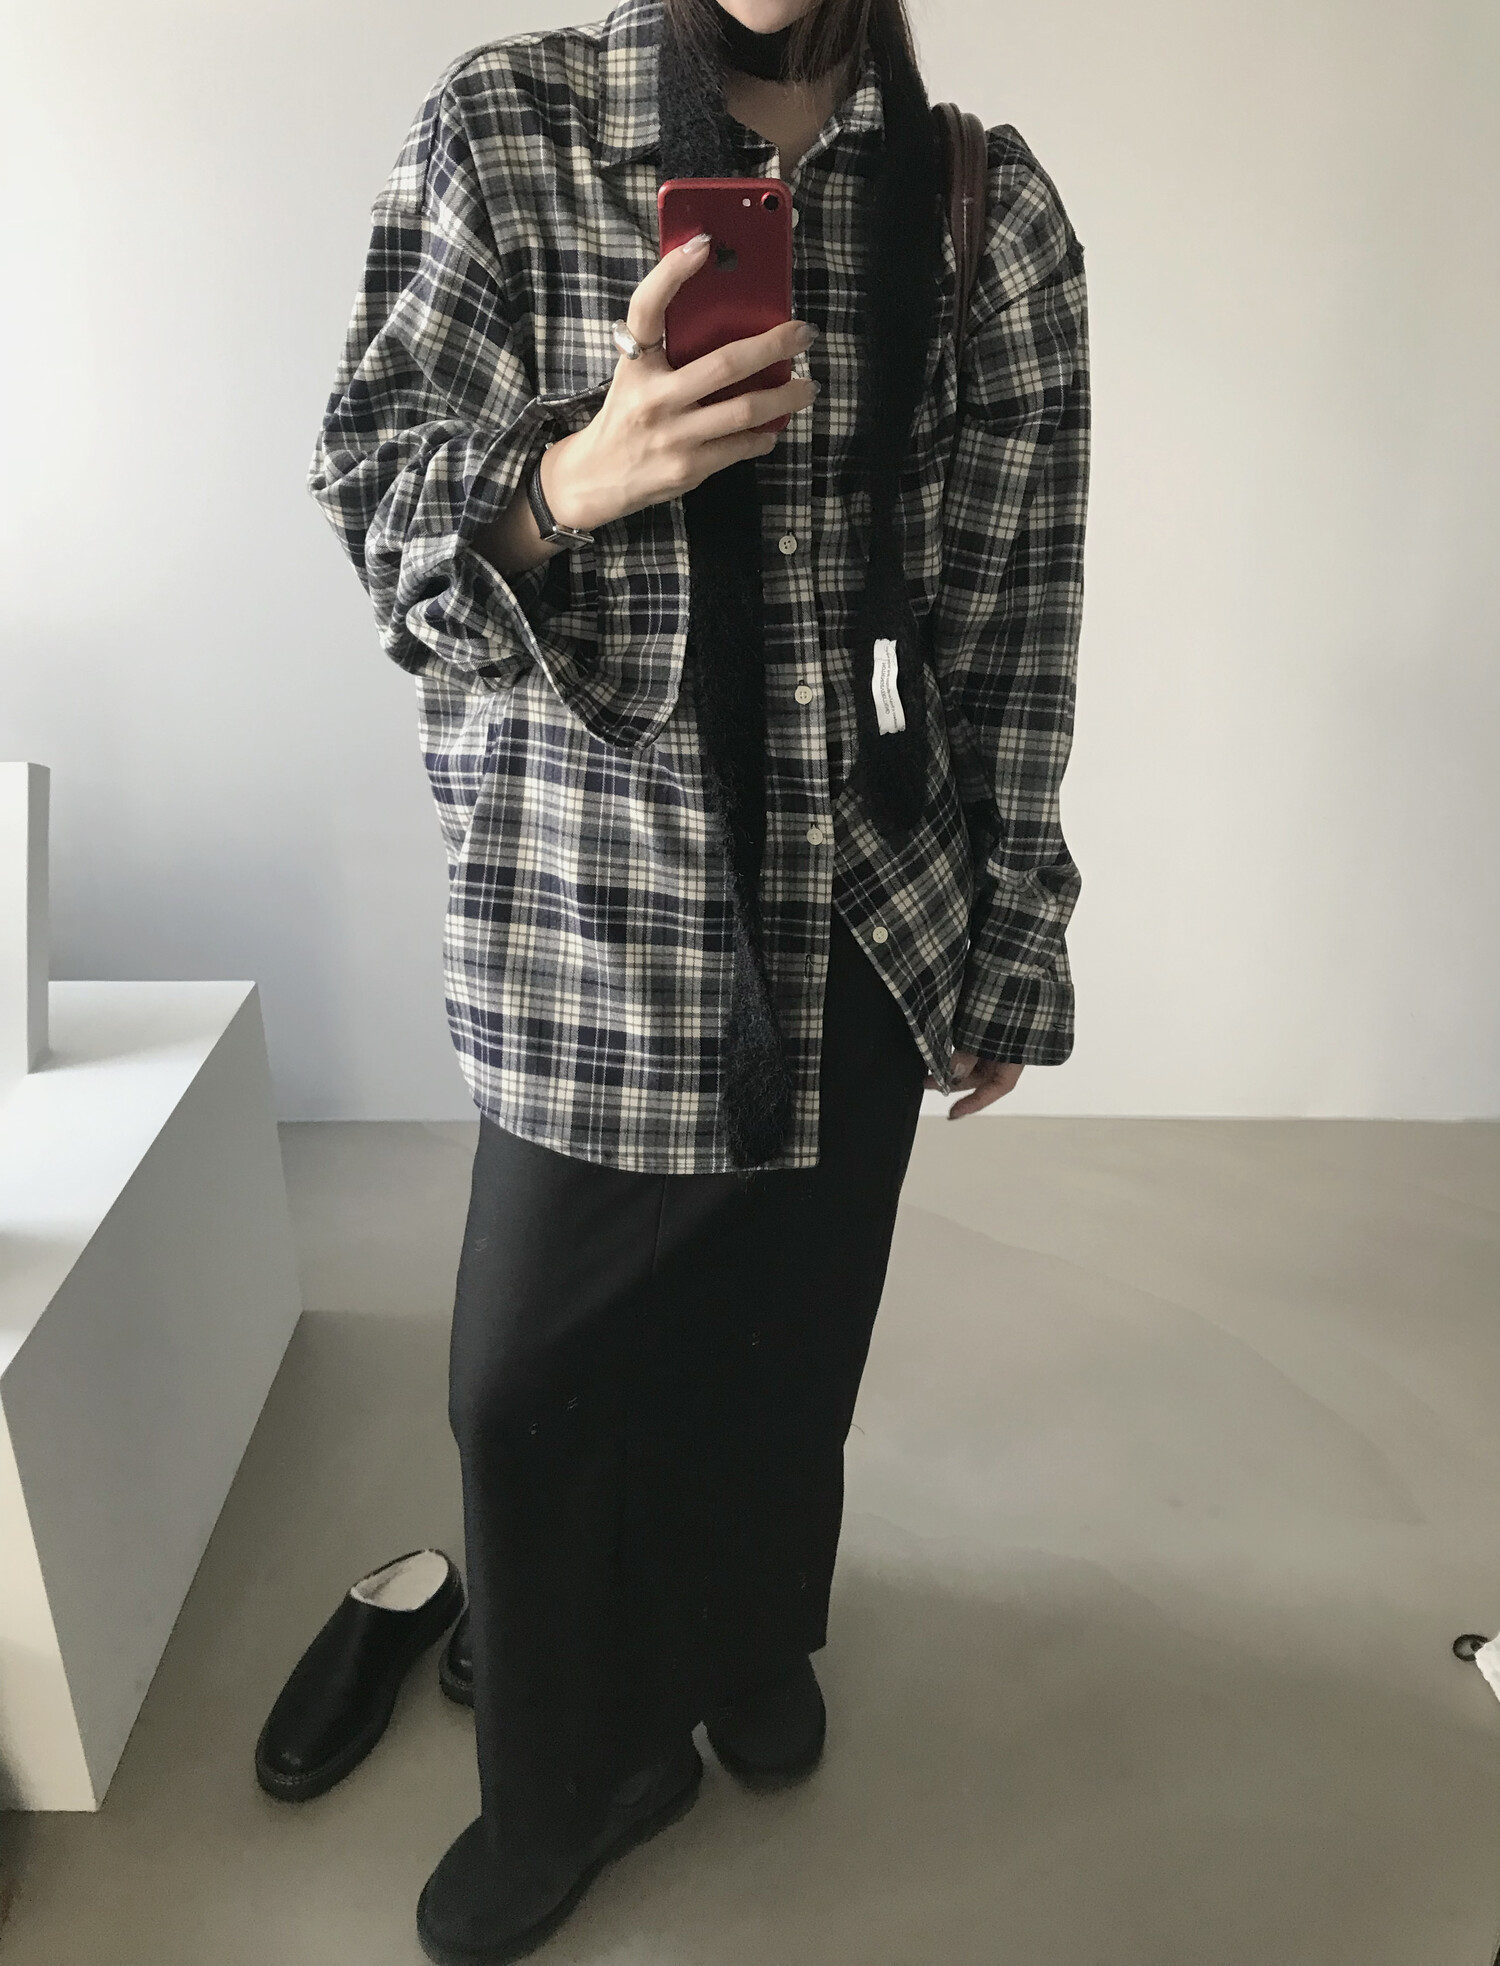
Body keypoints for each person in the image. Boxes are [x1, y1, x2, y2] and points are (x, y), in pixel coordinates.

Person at [306, 0, 1089, 1956]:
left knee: (784, 1349)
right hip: (589, 910)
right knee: (525, 1390)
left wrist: (1011, 932)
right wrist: (570, 478)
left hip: (862, 906)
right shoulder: (510, 129)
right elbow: (372, 497)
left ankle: (744, 1641)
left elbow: (1013, 607)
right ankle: (570, 1772)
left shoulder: (981, 209)